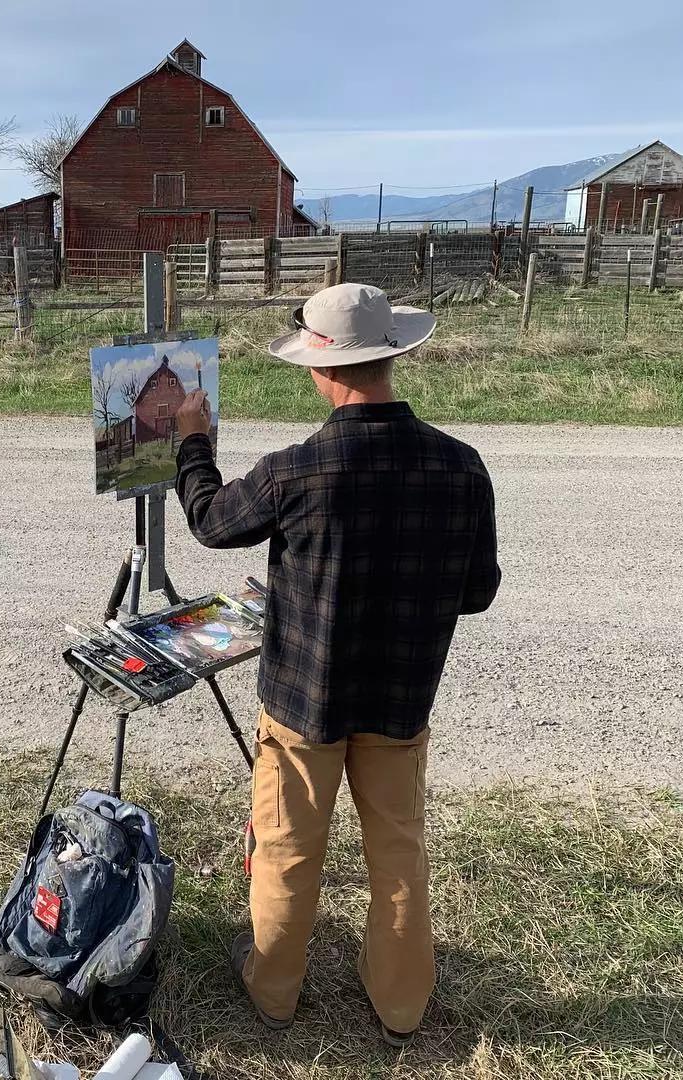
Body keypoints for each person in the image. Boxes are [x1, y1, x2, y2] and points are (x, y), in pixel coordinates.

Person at [173, 282, 501, 1046]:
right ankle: (401, 1008)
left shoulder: (297, 471)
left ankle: (274, 993)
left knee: (286, 848)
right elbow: (477, 592)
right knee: (399, 855)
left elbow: (209, 522)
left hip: (301, 703)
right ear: (391, 357)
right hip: (400, 702)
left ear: (323, 370)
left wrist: (194, 443)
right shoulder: (463, 467)